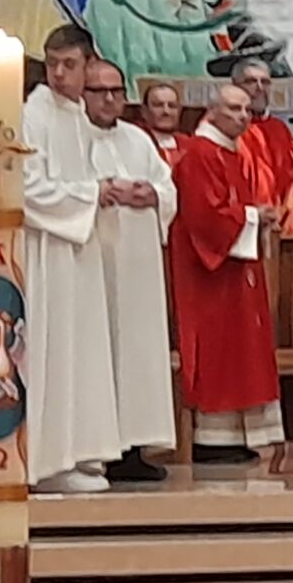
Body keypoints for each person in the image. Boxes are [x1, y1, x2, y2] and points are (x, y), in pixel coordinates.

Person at [21, 25, 126, 492]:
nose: (59, 73)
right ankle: (49, 462)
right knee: (55, 349)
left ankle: (82, 450)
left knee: (83, 348)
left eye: (69, 64)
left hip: (78, 244)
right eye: (52, 64)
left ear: (89, 65)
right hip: (48, 248)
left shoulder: (77, 115)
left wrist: (100, 191)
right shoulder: (34, 114)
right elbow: (27, 187)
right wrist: (91, 194)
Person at [170, 83, 286, 464]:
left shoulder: (231, 152)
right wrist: (253, 216)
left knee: (243, 348)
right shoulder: (199, 153)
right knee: (220, 348)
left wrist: (257, 217)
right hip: (211, 275)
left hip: (236, 267)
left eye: (247, 110)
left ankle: (237, 436)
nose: (242, 117)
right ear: (212, 111)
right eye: (234, 109)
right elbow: (205, 216)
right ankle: (213, 440)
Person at [81, 59, 178, 485]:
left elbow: (168, 187)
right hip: (94, 266)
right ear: (83, 95)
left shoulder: (138, 139)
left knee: (138, 353)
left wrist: (151, 194)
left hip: (139, 268)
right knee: (100, 352)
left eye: (116, 91)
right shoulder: (73, 136)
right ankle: (96, 449)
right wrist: (100, 191)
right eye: (99, 91)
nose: (108, 99)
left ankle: (135, 448)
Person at [231, 58, 293, 235]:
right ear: (235, 86)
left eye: (265, 82)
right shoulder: (229, 130)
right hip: (247, 227)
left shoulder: (280, 130)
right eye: (251, 81)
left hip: (283, 227)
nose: (259, 88)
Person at [136, 80, 186, 168]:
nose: (166, 111)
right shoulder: (135, 142)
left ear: (179, 110)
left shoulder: (190, 146)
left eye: (172, 106)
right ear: (144, 111)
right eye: (158, 105)